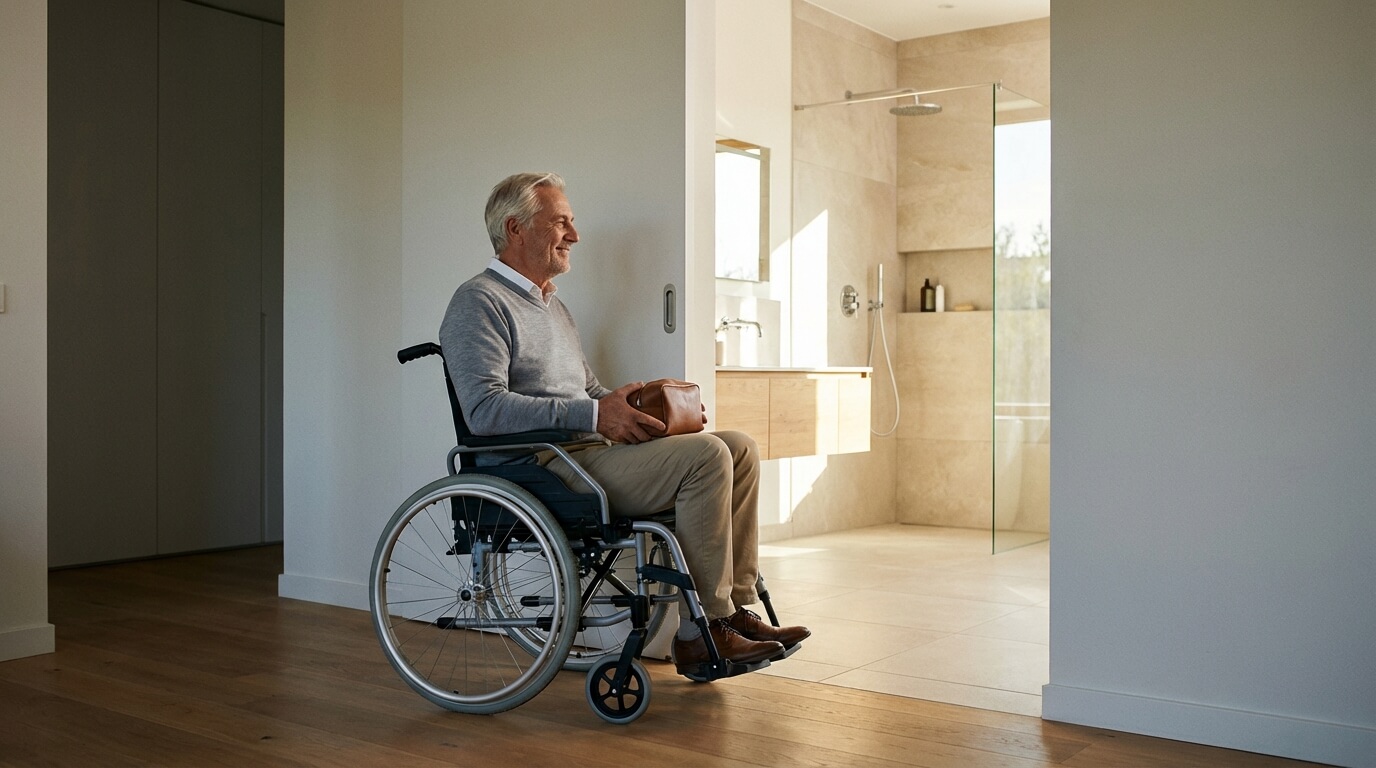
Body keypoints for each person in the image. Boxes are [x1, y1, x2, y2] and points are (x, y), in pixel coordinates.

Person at [439, 172, 809, 675]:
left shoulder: (554, 306)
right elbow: (485, 411)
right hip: (543, 465)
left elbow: (587, 392)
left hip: (587, 454)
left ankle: (736, 609)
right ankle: (703, 632)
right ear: (515, 228)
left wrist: (635, 405)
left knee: (738, 446)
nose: (575, 234)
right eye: (561, 222)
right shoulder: (478, 301)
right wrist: (595, 414)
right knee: (707, 457)